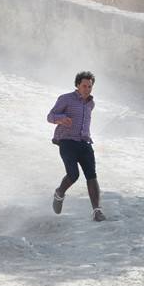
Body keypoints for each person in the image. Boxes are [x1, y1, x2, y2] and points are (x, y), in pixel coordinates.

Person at [47, 71, 106, 222]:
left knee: (91, 175)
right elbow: (50, 116)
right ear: (77, 85)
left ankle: (97, 211)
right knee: (73, 175)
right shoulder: (66, 99)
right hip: (67, 142)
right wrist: (62, 119)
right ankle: (59, 193)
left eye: (90, 86)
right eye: (84, 86)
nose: (87, 89)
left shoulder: (91, 104)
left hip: (85, 143)